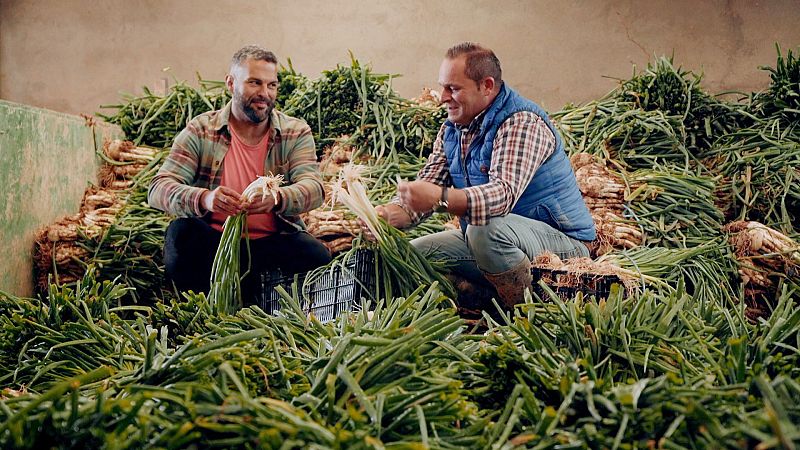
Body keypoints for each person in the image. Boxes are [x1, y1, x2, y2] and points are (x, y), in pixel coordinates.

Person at [375, 42, 595, 308]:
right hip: (496, 237)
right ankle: (485, 300)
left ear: (487, 86)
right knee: (413, 255)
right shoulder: (452, 130)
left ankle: (528, 312)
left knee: (485, 230)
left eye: (453, 89)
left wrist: (440, 198)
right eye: (443, 87)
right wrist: (390, 214)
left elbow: (501, 196)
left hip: (560, 244)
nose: (442, 97)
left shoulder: (521, 122)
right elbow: (429, 186)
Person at [148, 45, 331, 303]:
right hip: (216, 244)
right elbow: (158, 188)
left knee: (316, 255)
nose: (264, 94)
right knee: (181, 236)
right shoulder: (202, 130)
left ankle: (251, 293)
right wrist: (205, 199)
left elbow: (314, 188)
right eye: (254, 83)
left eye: (272, 85)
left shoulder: (294, 132)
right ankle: (225, 296)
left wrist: (277, 199)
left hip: (270, 244)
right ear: (231, 83)